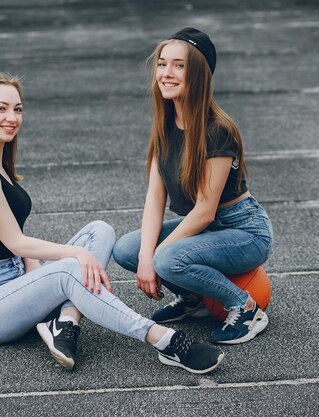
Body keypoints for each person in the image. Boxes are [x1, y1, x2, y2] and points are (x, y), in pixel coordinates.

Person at [0, 72, 224, 373]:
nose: (12, 117)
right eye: (1, 109)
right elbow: (14, 241)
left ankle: (66, 320)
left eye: (18, 109)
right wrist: (73, 259)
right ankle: (163, 340)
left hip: (13, 285)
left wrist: (38, 280)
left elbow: (14, 239)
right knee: (73, 265)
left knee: (99, 232)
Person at [113, 28, 274, 345]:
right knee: (126, 250)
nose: (166, 73)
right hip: (205, 230)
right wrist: (146, 257)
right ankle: (195, 300)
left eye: (178, 65)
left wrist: (157, 256)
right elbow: (155, 198)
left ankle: (245, 307)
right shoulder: (166, 123)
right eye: (162, 64)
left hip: (244, 231)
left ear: (198, 74)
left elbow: (204, 211)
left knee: (167, 259)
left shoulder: (217, 131)